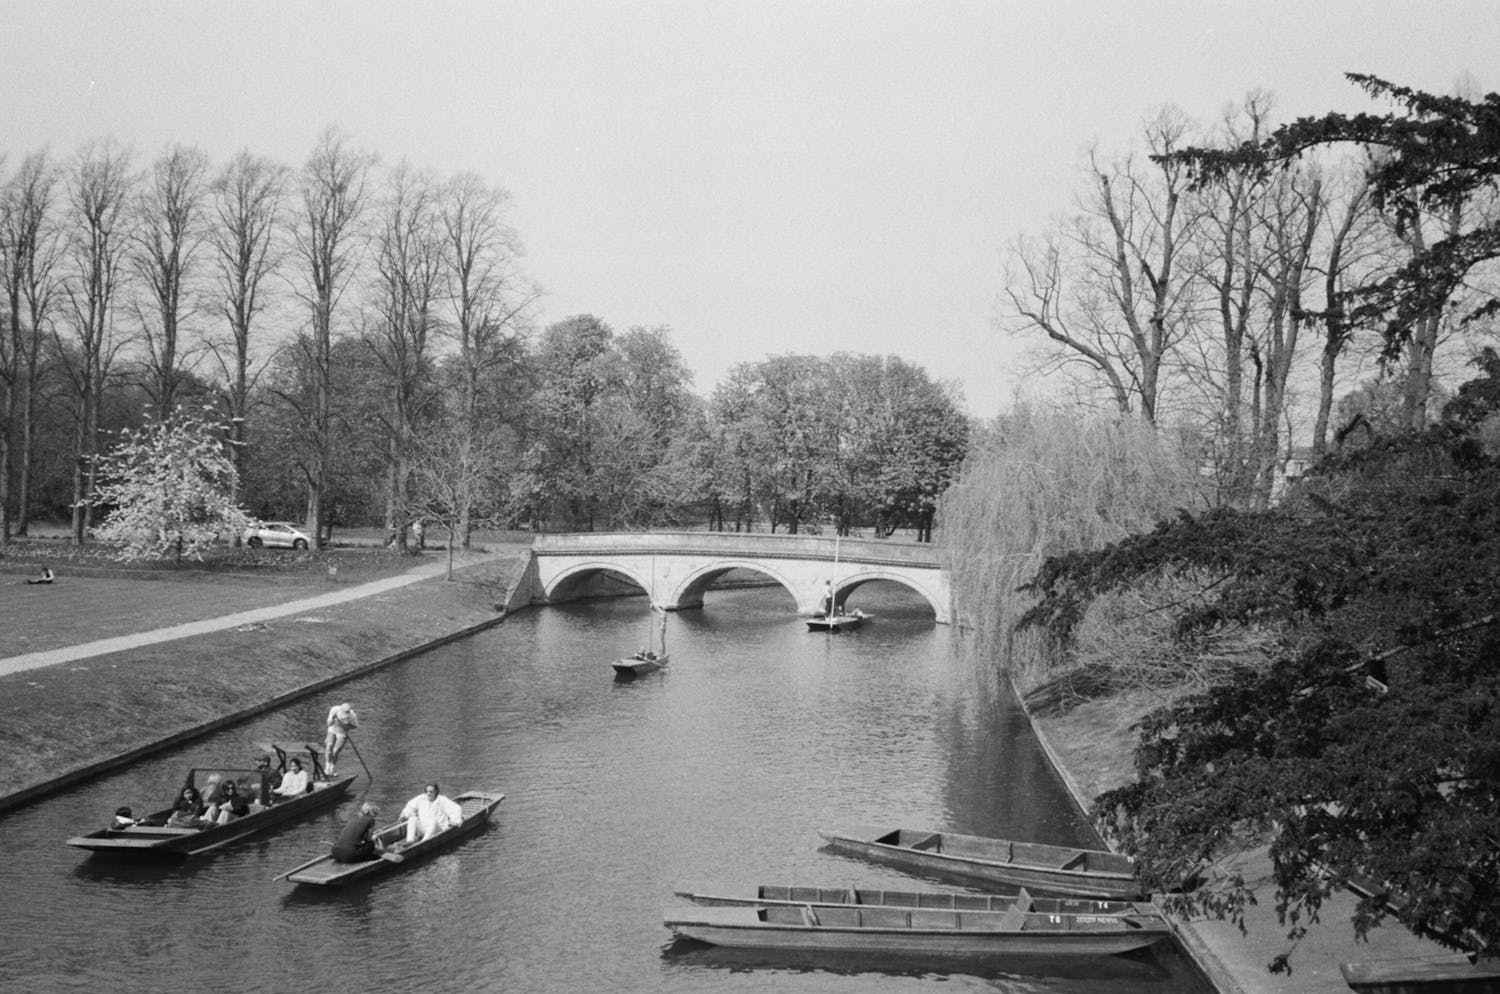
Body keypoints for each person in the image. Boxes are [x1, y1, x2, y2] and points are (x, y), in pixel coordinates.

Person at [398, 783, 462, 846]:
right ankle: (410, 841)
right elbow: (410, 806)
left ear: (436, 791)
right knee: (412, 818)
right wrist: (405, 815)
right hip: (424, 829)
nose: (429, 793)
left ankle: (423, 842)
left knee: (433, 821)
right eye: (427, 791)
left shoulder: (442, 800)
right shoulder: (421, 798)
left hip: (437, 829)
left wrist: (454, 821)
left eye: (431, 791)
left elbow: (456, 808)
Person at [324, 702, 358, 777]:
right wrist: (333, 719)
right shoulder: (334, 709)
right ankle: (327, 768)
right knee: (329, 746)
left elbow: (355, 726)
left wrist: (347, 725)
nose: (346, 714)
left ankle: (332, 769)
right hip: (332, 730)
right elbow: (328, 724)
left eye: (347, 712)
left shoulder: (352, 715)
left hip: (342, 733)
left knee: (335, 751)